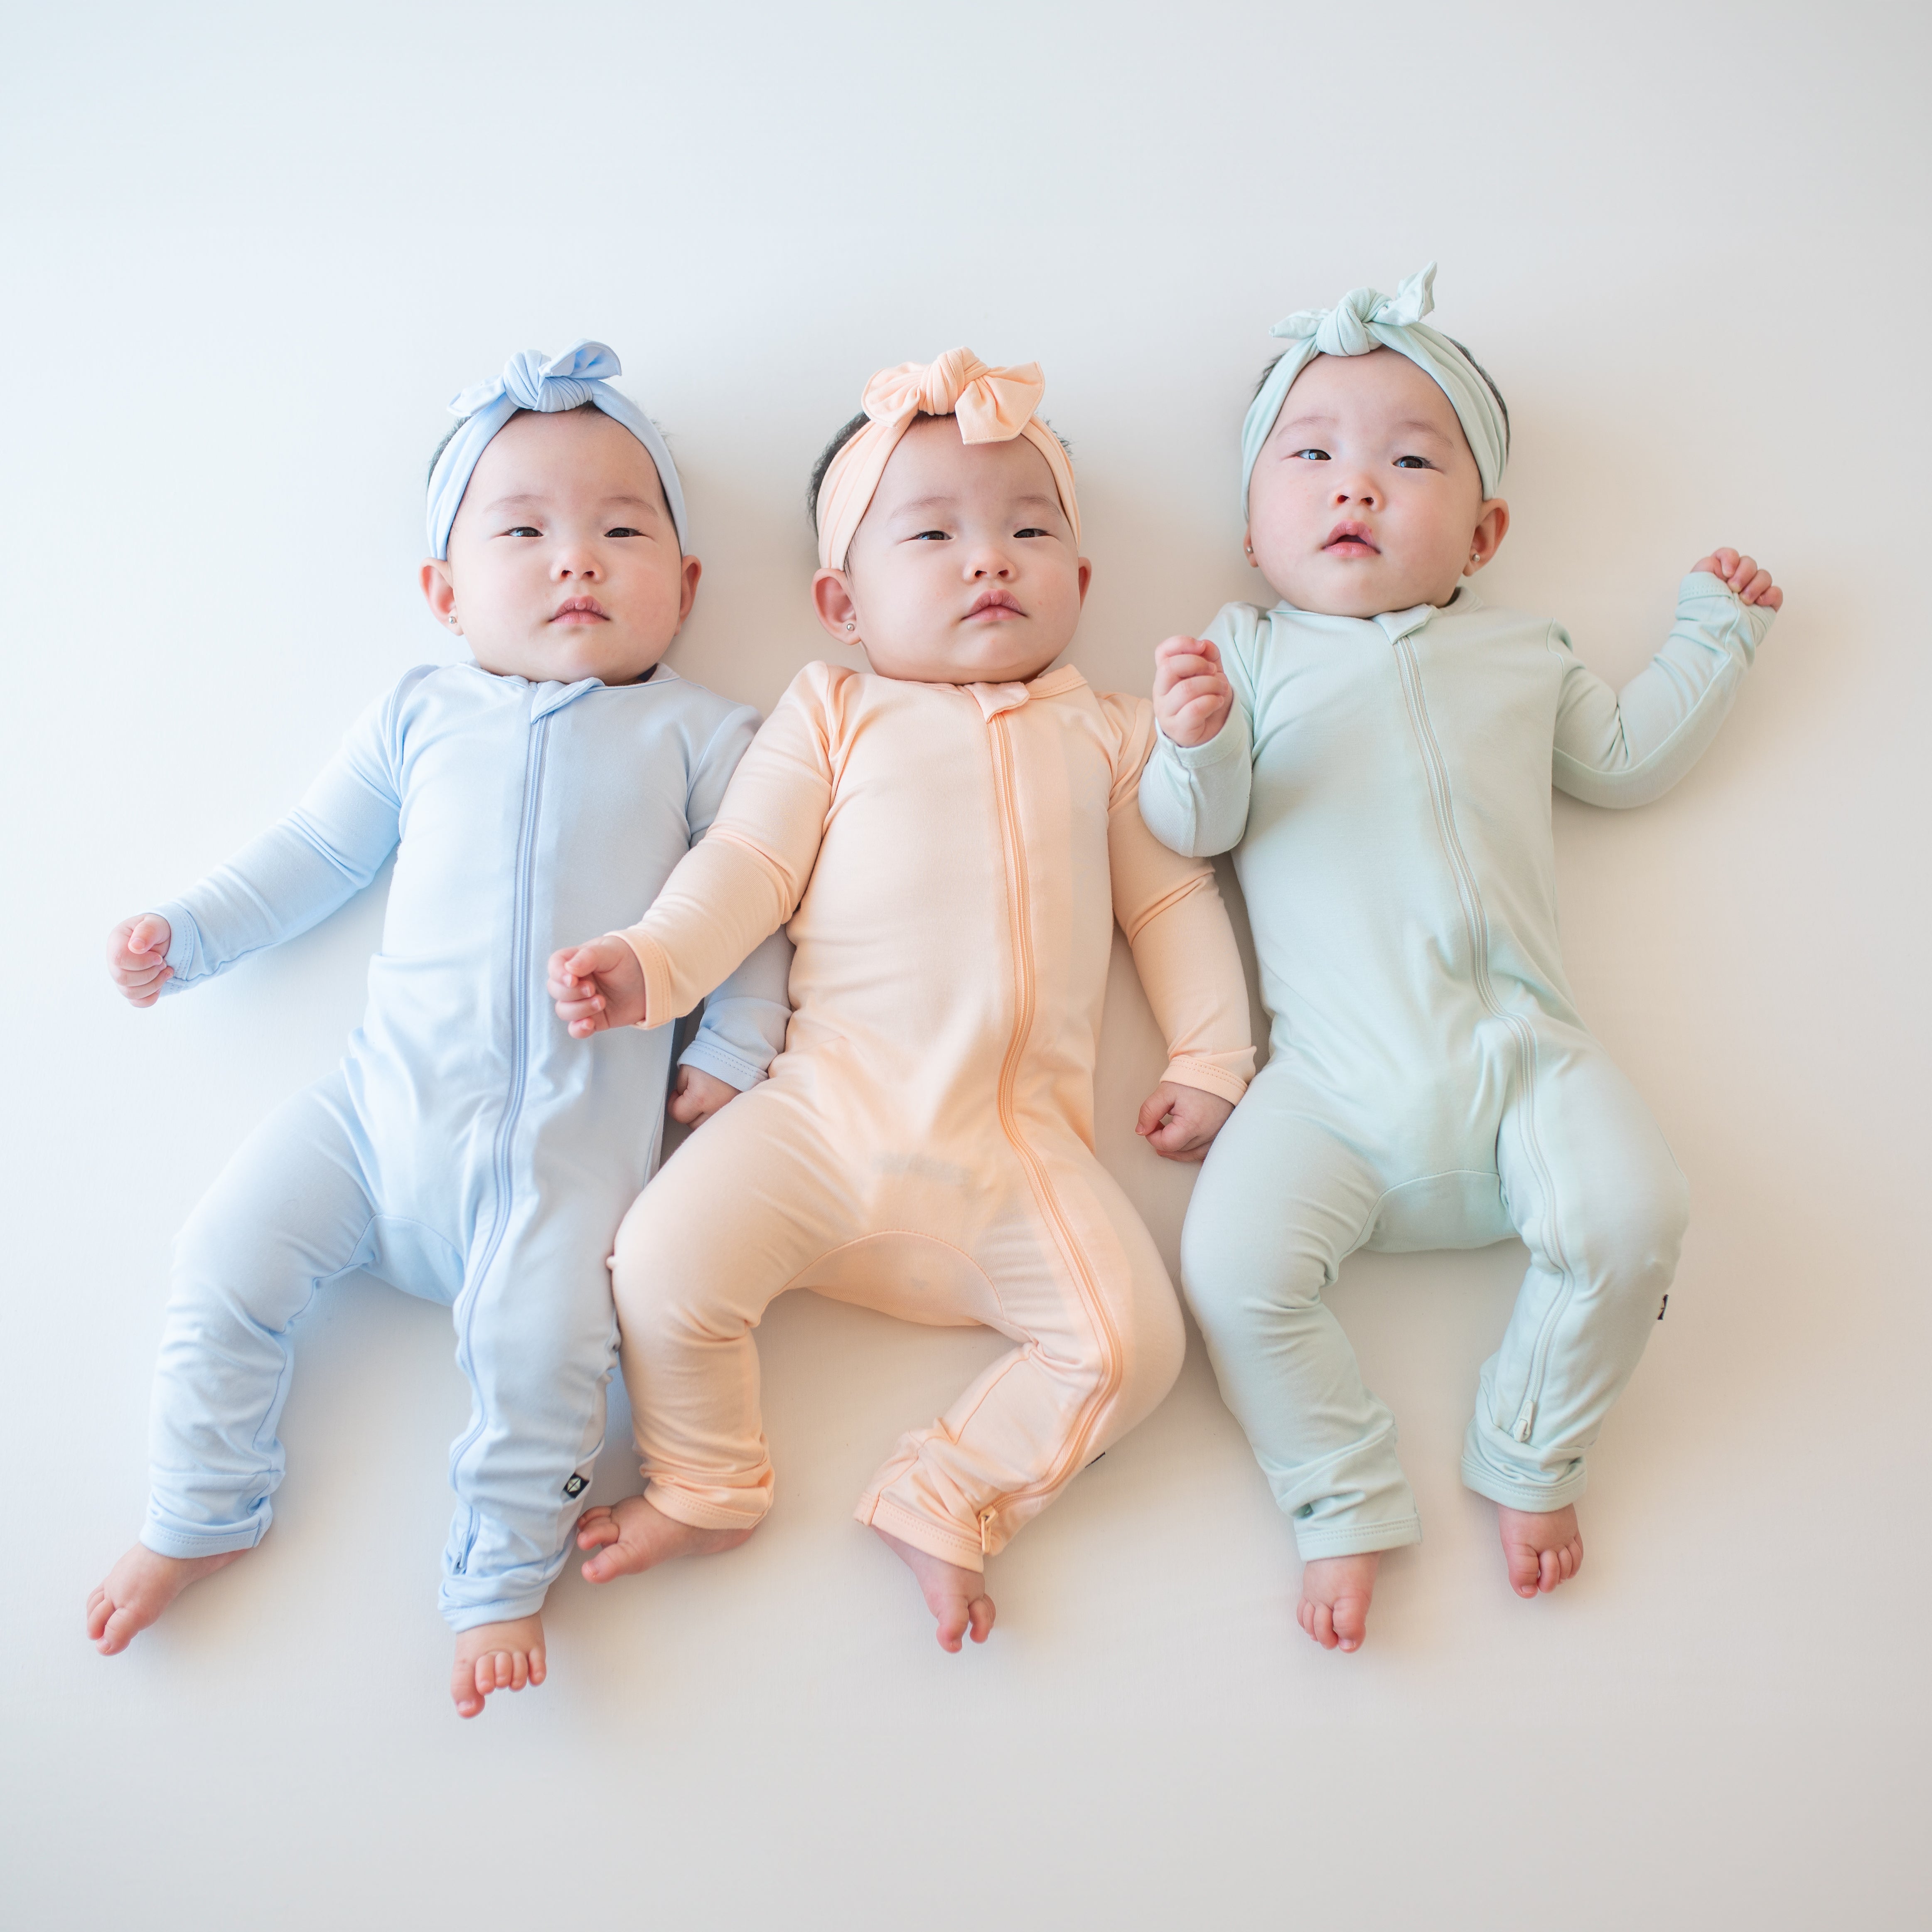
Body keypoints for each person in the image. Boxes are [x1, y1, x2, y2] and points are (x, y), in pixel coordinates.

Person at [88, 343, 790, 1715]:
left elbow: (754, 905)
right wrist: (195, 932)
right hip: (373, 1118)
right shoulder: (419, 713)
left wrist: (731, 1049)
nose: (574, 559)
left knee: (549, 1363)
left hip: (566, 1159)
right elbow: (316, 851)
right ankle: (201, 1505)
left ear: (688, 584)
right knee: (220, 1259)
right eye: (522, 533)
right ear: (445, 592)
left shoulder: (707, 736)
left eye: (621, 531)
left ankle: (497, 1581)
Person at [547, 350, 1254, 1650]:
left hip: (1016, 1154)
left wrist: (1212, 1057)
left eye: (1028, 533)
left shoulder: (1109, 733)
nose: (988, 560)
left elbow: (1167, 902)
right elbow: (748, 865)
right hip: (820, 1118)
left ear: (1081, 582)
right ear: (843, 603)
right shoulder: (831, 713)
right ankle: (707, 1482)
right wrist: (656, 963)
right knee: (658, 1261)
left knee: (1131, 1347)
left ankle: (946, 1492)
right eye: (931, 536)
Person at [1140, 268, 1782, 1651]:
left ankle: (1531, 1447)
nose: (1354, 486)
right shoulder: (1243, 655)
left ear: (1484, 531)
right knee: (1231, 1268)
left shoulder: (1520, 653)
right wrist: (1190, 741)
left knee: (1634, 1217)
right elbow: (1194, 827)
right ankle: (1338, 1494)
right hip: (1331, 1086)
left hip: (1525, 1059)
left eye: (1409, 461)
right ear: (1251, 529)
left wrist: (1712, 636)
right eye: (1308, 457)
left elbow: (1624, 760)